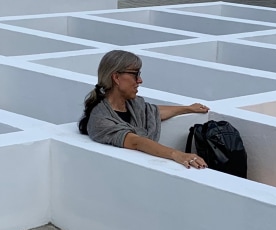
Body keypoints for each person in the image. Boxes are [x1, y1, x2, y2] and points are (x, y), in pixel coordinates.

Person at [78, 49, 211, 168]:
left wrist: (188, 109)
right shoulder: (100, 119)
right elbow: (136, 141)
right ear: (116, 78)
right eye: (135, 74)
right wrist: (178, 155)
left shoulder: (133, 105)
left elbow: (153, 112)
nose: (140, 80)